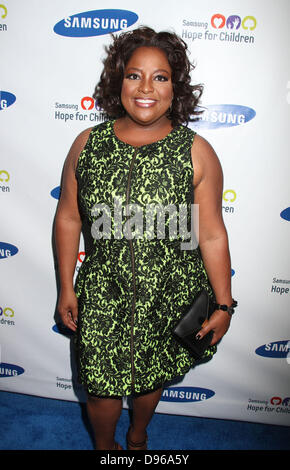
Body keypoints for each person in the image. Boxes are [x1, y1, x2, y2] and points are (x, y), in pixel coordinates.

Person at [54, 26, 236, 451]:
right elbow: (67, 217)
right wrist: (66, 285)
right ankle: (105, 450)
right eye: (135, 75)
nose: (146, 88)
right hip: (104, 291)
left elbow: (210, 232)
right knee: (100, 387)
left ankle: (138, 437)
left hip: (168, 293)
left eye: (161, 76)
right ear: (119, 80)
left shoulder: (197, 151)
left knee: (149, 376)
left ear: (176, 86)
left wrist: (225, 304)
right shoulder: (87, 144)